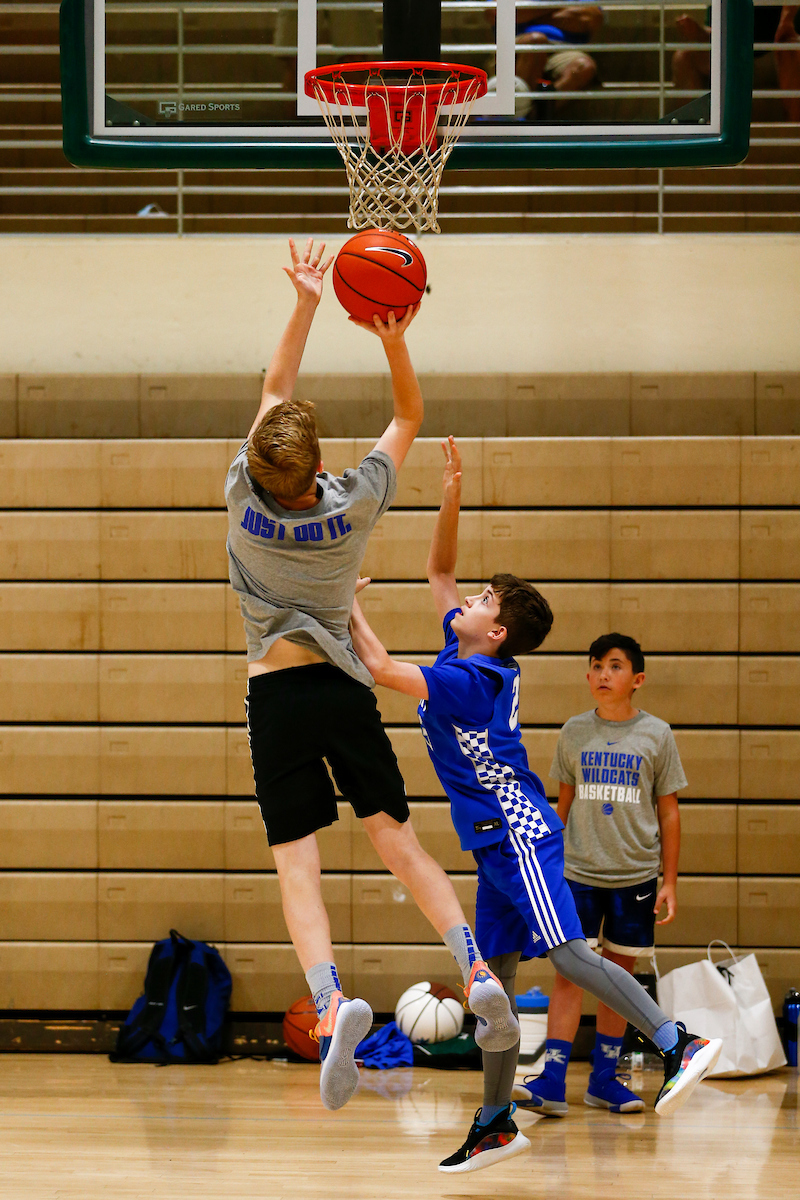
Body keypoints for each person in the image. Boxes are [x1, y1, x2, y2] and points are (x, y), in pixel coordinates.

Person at [349, 437, 722, 1174]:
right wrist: (451, 493)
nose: (470, 598)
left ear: (494, 633)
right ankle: (494, 1120)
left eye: (485, 601)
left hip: (520, 832)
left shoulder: (471, 682)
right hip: (489, 844)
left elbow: (380, 667)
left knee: (569, 953)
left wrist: (342, 601)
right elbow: (439, 571)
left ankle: (677, 1041)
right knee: (493, 983)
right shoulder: (464, 653)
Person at [225, 240, 519, 1115]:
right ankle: (474, 966)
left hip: (277, 694)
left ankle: (330, 1003)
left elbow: (273, 390)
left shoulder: (241, 494)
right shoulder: (354, 503)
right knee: (397, 838)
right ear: (319, 465)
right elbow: (407, 414)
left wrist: (304, 304)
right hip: (347, 689)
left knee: (297, 866)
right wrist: (392, 336)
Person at [513, 633, 685, 1117]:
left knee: (618, 977)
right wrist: (548, 867)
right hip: (578, 873)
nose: (603, 674)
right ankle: (551, 1080)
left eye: (615, 665)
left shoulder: (657, 734)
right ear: (587, 675)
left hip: (635, 876)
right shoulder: (573, 731)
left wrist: (670, 880)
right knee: (570, 974)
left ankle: (605, 1079)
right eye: (596, 666)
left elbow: (669, 812)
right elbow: (562, 806)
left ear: (638, 679)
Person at [672, 7, 800, 123]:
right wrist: (697, 32)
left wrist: (787, 21)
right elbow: (715, 33)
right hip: (733, 58)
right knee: (683, 57)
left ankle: (793, 134)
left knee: (792, 49)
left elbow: (790, 29)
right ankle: (691, 133)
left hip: (773, 55)